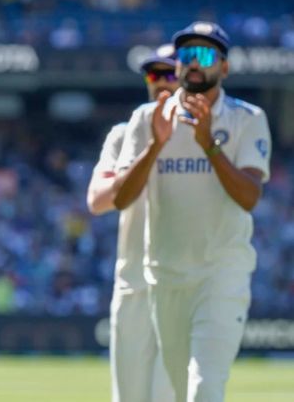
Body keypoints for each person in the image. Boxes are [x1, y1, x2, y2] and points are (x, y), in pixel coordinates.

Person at [113, 22, 271, 402]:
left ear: (225, 67)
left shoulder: (247, 119)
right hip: (164, 277)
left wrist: (209, 146)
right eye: (186, 56)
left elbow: (249, 197)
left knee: (204, 389)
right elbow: (121, 199)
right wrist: (155, 144)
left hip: (221, 274)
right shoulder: (148, 118)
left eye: (204, 55)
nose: (193, 64)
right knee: (180, 393)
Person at [87, 44, 177, 402]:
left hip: (182, 285)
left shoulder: (205, 136)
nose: (161, 82)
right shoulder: (123, 135)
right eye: (154, 74)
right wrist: (151, 148)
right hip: (133, 285)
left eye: (170, 73)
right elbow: (98, 200)